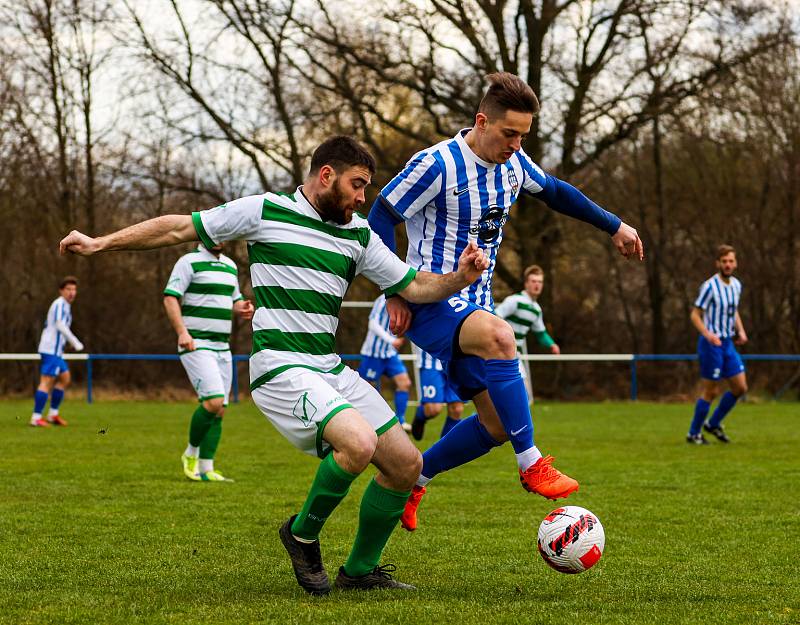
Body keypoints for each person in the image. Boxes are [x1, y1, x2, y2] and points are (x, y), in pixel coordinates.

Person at [60, 136, 488, 594]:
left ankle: (360, 571)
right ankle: (301, 535)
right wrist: (100, 242)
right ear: (327, 175)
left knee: (405, 464)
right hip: (280, 367)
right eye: (358, 185)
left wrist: (457, 279)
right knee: (358, 444)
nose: (364, 198)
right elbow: (177, 228)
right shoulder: (265, 210)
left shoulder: (358, 233)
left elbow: (413, 285)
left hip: (329, 368)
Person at [367, 72, 644, 531]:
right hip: (429, 299)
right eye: (509, 133)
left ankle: (417, 478)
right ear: (481, 121)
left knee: (495, 425)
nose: (516, 144)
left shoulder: (514, 163)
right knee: (501, 336)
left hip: (474, 304)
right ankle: (531, 463)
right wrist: (394, 290)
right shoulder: (436, 164)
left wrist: (614, 225)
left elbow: (555, 192)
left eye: (523, 135)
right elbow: (379, 214)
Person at [164, 243, 255, 481]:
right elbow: (170, 297)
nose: (219, 237)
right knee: (213, 402)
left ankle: (206, 468)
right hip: (195, 343)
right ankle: (190, 453)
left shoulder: (230, 265)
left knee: (221, 410)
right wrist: (182, 332)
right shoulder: (188, 261)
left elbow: (234, 300)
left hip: (222, 346)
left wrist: (242, 308)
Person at [687, 244, 748, 444]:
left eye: (731, 261)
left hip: (728, 343)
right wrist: (708, 334)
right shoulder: (710, 287)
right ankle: (694, 433)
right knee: (711, 391)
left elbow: (734, 310)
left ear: (735, 263)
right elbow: (695, 315)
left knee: (740, 387)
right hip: (711, 344)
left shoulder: (737, 285)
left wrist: (741, 330)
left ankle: (713, 424)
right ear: (718, 264)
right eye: (724, 261)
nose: (728, 265)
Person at [495, 264, 560, 402]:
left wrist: (552, 344)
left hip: (515, 354)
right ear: (526, 283)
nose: (537, 285)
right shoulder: (515, 301)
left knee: (520, 397)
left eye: (540, 282)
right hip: (501, 352)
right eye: (533, 281)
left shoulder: (536, 309)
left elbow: (541, 333)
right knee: (520, 397)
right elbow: (494, 318)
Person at [30, 276, 84, 427]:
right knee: (46, 382)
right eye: (68, 289)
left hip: (56, 350)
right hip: (50, 349)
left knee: (65, 378)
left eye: (74, 289)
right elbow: (60, 325)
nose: (72, 292)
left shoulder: (66, 306)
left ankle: (53, 415)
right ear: (61, 291)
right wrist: (75, 342)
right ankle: (36, 418)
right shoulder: (59, 304)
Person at [357, 294, 413, 432]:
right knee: (365, 389)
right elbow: (372, 324)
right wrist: (391, 340)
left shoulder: (405, 300)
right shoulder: (383, 299)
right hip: (373, 354)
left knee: (404, 383)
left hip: (389, 354)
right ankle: (363, 423)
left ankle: (400, 421)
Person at [409, 346, 464, 441]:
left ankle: (446, 448)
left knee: (457, 409)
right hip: (430, 363)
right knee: (433, 409)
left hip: (454, 362)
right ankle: (420, 416)